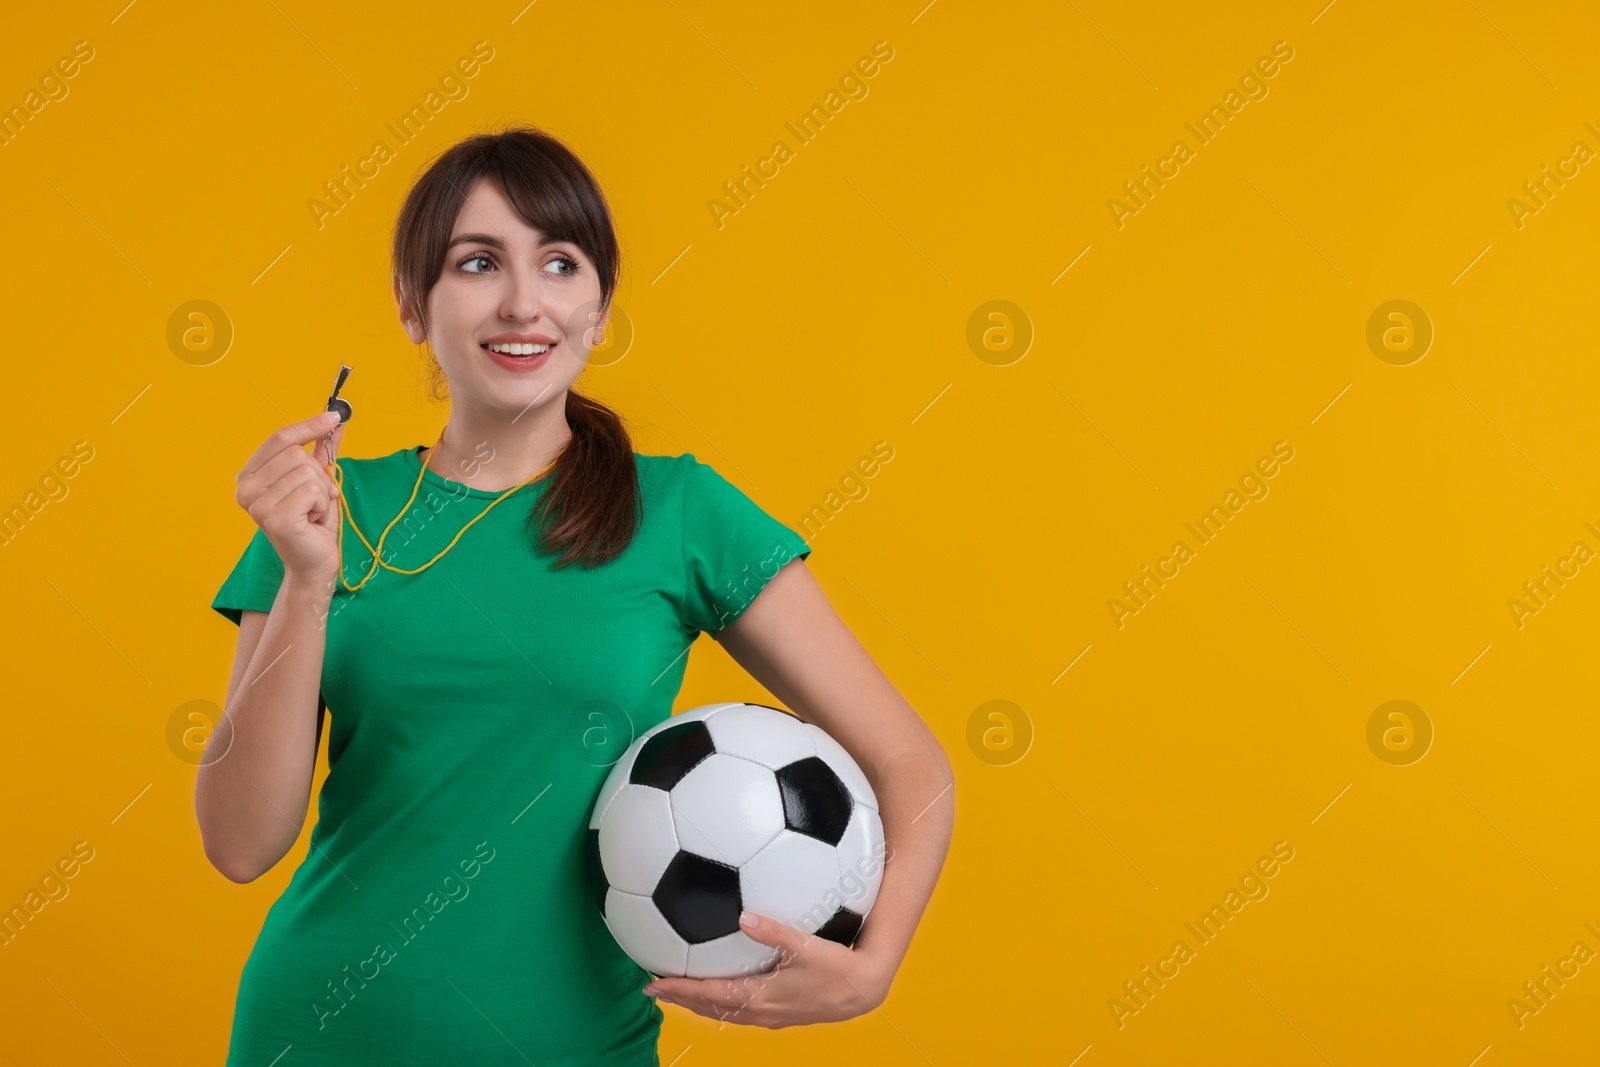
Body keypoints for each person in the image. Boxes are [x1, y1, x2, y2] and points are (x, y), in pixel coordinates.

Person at [196, 125, 954, 1066]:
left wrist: (872, 965)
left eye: (559, 263)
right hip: (315, 1033)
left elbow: (910, 764)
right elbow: (239, 842)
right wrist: (308, 577)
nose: (523, 303)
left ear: (599, 305)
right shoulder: (325, 512)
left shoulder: (681, 512)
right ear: (410, 302)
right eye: (478, 262)